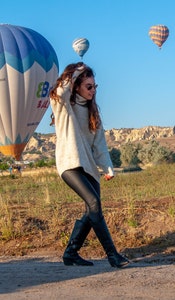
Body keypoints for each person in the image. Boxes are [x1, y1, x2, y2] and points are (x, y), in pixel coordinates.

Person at [50, 62, 129, 268]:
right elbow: (60, 90)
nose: (93, 91)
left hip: (88, 167)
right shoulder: (64, 106)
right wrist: (76, 70)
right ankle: (113, 255)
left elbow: (99, 145)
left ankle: (71, 253)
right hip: (69, 164)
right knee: (94, 203)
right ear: (76, 85)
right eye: (88, 86)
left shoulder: (94, 113)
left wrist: (108, 167)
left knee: (90, 211)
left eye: (95, 87)